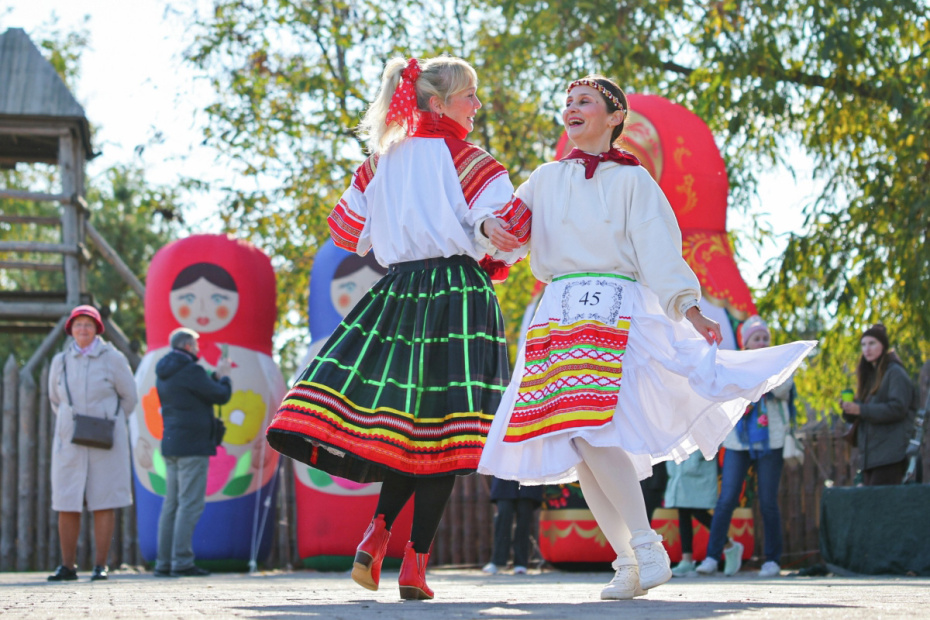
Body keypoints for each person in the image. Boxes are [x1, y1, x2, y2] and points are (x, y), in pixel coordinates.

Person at [477, 75, 815, 601]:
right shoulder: (542, 179)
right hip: (557, 313)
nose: (572, 108)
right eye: (567, 101)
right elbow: (510, 230)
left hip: (610, 309)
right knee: (578, 443)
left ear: (615, 117)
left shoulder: (634, 182)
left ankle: (645, 546)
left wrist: (689, 307)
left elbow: (660, 251)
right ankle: (631, 560)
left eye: (585, 101)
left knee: (591, 430)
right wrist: (489, 232)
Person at [265, 55, 529, 600]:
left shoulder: (381, 161)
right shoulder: (471, 159)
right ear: (438, 102)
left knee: (406, 430)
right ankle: (415, 564)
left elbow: (347, 231)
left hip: (400, 294)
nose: (477, 105)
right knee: (448, 435)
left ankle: (377, 534)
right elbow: (509, 233)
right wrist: (476, 225)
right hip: (457, 295)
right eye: (470, 95)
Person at [697, 316, 798, 578]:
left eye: (765, 337)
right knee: (727, 498)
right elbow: (728, 389)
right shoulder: (736, 363)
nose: (762, 342)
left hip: (771, 439)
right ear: (746, 343)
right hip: (738, 440)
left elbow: (784, 390)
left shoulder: (778, 362)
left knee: (767, 501)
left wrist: (765, 373)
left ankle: (772, 560)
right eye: (757, 338)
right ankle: (712, 556)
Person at [47, 305, 139, 581]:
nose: (83, 329)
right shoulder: (60, 361)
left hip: (106, 440)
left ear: (98, 328)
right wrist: (72, 424)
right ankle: (68, 566)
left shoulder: (113, 358)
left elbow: (129, 398)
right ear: (71, 330)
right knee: (67, 500)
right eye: (78, 325)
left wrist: (106, 423)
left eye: (88, 324)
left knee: (104, 499)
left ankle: (100, 565)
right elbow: (55, 400)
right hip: (70, 441)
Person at [153, 327, 232, 577]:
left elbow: (197, 391)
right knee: (190, 504)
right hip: (192, 446)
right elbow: (220, 395)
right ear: (187, 346)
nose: (198, 349)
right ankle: (182, 561)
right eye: (196, 345)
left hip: (172, 444)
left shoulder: (164, 371)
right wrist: (225, 376)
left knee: (172, 504)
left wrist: (213, 376)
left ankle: (164, 562)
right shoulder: (191, 370)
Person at [840, 323, 917, 486]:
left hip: (891, 456)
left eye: (872, 343)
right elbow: (866, 412)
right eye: (863, 344)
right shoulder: (871, 376)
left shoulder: (895, 372)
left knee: (883, 508)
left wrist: (861, 409)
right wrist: (850, 409)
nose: (867, 349)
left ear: (883, 346)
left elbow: (898, 408)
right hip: (871, 458)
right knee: (872, 508)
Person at [665, 453, 716, 577]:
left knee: (698, 511)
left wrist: (696, 457)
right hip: (679, 464)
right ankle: (686, 559)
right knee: (683, 511)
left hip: (698, 464)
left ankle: (728, 544)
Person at [482, 478, 543, 575]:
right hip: (504, 477)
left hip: (528, 476)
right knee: (503, 517)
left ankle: (521, 563)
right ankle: (498, 561)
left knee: (524, 521)